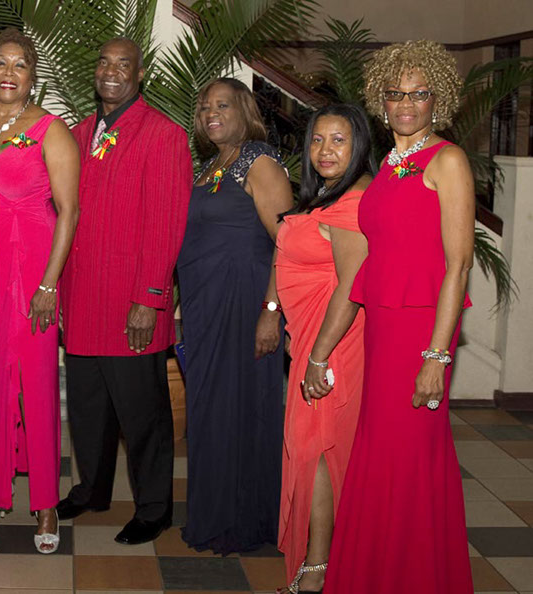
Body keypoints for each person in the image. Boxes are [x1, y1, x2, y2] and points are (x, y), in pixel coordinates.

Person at [325, 40, 474, 593]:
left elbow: (459, 265)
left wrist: (436, 356)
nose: (406, 104)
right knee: (381, 457)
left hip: (420, 333)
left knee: (409, 459)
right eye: (395, 94)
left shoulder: (447, 160)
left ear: (439, 99)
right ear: (381, 101)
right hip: (383, 329)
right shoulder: (390, 164)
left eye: (418, 94)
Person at [57, 37, 192, 546]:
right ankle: (92, 489)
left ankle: (154, 508)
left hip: (133, 304)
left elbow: (166, 224)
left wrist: (151, 297)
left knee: (143, 416)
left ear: (139, 75)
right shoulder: (78, 133)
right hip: (82, 300)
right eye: (104, 62)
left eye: (124, 65)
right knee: (88, 408)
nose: (111, 71)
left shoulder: (163, 135)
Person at [0, 27, 79, 554]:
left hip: (33, 268)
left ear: (33, 76)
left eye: (20, 65)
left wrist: (50, 282)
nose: (9, 73)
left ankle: (46, 502)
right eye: (1, 64)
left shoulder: (52, 130)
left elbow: (70, 211)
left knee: (36, 382)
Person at [176, 77, 292, 554]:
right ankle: (214, 514)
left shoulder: (259, 161)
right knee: (208, 413)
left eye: (222, 105)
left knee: (241, 411)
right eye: (205, 107)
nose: (211, 113)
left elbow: (289, 242)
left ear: (244, 111)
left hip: (245, 305)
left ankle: (245, 521)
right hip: (204, 308)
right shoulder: (209, 166)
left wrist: (271, 311)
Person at [273, 104, 374, 593]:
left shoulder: (353, 202)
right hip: (310, 338)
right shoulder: (326, 197)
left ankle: (317, 568)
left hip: (332, 345)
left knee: (318, 451)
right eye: (317, 140)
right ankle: (323, 560)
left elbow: (351, 288)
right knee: (310, 447)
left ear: (359, 145)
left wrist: (318, 355)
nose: (325, 150)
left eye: (338, 140)